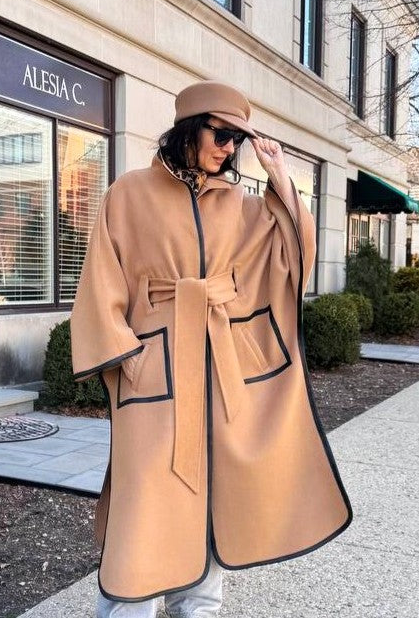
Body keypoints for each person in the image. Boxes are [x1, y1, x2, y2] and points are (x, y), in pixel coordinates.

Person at [70, 80, 353, 618]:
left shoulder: (242, 205)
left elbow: (293, 256)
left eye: (236, 140)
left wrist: (280, 178)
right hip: (155, 367)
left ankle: (198, 605)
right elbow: (101, 278)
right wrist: (126, 358)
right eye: (220, 134)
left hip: (221, 366)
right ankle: (128, 607)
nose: (228, 148)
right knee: (145, 493)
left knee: (215, 487)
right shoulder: (128, 193)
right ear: (188, 130)